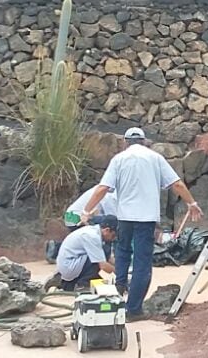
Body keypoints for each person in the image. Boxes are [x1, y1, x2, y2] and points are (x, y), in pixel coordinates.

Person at [83, 127, 202, 319]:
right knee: (142, 263)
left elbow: (102, 188)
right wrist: (192, 203)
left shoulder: (119, 160)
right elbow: (177, 184)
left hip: (125, 218)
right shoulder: (155, 158)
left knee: (122, 253)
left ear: (125, 142)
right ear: (145, 141)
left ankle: (120, 287)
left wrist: (86, 211)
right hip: (146, 220)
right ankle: (134, 309)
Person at [55, 214, 118, 292]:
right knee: (102, 253)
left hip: (71, 263)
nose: (113, 238)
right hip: (69, 266)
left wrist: (122, 268)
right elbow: (103, 266)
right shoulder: (92, 236)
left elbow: (110, 259)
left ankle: (66, 282)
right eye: (113, 235)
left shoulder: (94, 231)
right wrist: (120, 275)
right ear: (107, 230)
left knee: (102, 253)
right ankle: (83, 285)